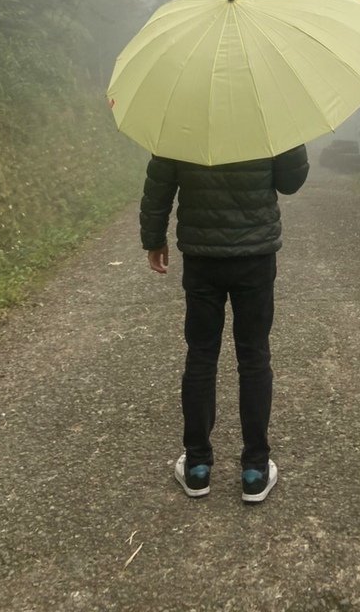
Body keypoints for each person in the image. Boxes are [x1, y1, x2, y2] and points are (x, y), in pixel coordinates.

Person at [139, 144, 309, 502]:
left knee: (201, 356)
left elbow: (160, 184)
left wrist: (154, 239)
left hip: (202, 257)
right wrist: (292, 139)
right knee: (254, 357)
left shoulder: (181, 115)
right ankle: (254, 470)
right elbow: (291, 182)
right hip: (256, 256)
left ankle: (198, 467)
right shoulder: (267, 114)